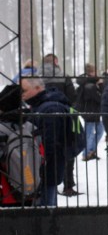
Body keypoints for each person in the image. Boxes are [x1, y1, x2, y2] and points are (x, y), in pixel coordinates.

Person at [21, 76, 73, 206]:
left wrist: (40, 163)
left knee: (45, 207)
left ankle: (48, 225)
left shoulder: (50, 109)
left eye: (24, 90)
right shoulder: (40, 105)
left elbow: (51, 143)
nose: (21, 94)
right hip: (42, 166)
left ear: (37, 88)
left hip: (47, 167)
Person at [75, 63, 104, 162]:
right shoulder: (90, 85)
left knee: (99, 131)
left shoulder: (87, 83)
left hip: (91, 111)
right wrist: (100, 84)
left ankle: (90, 151)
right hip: (90, 111)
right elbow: (100, 98)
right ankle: (86, 153)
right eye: (95, 71)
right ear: (92, 72)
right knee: (90, 133)